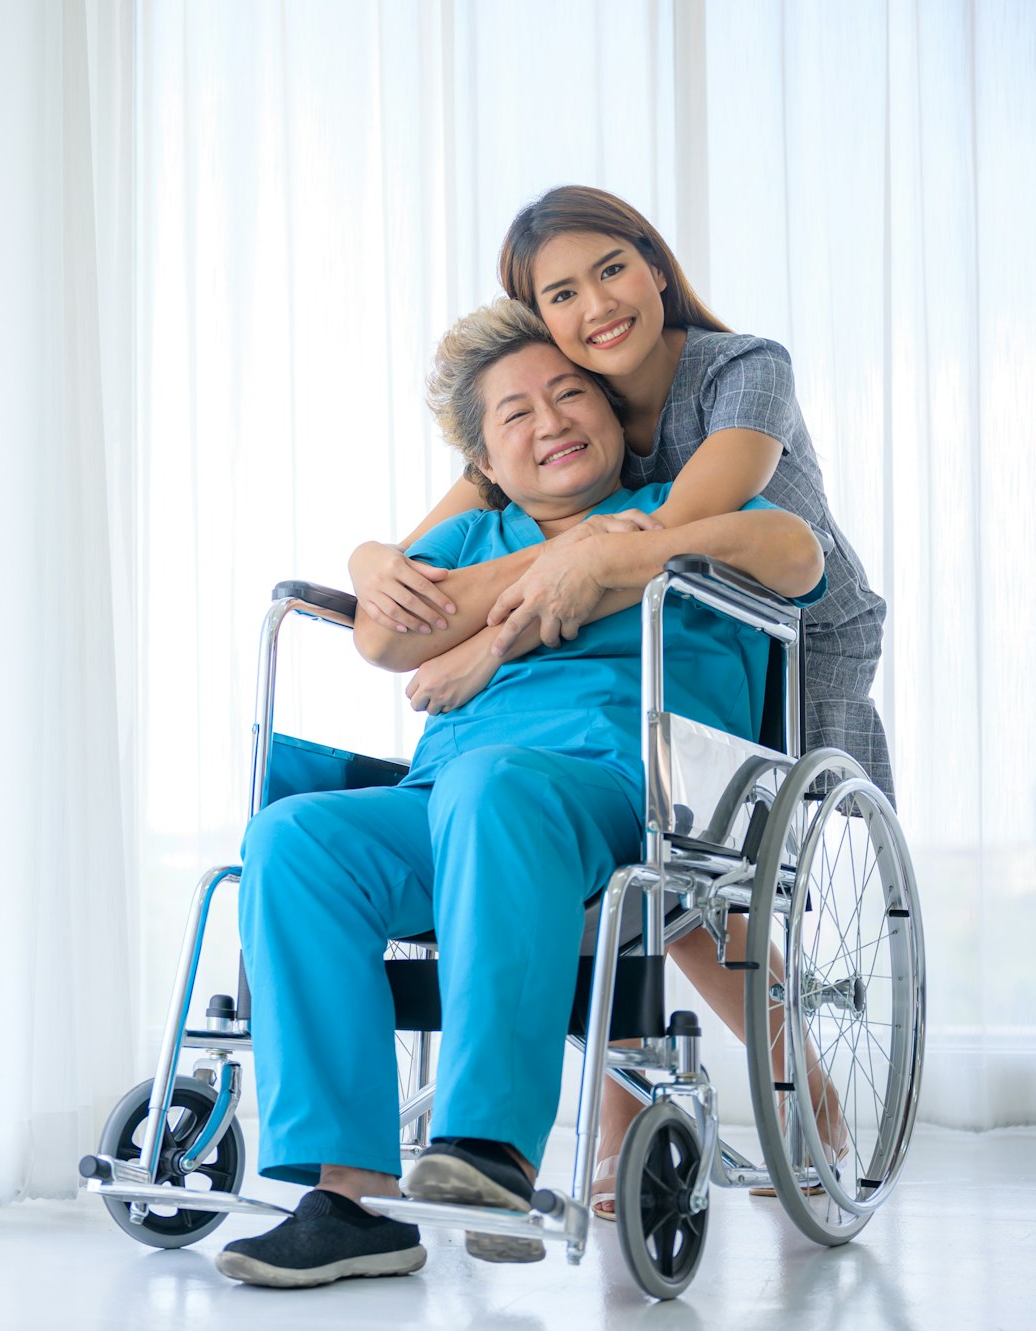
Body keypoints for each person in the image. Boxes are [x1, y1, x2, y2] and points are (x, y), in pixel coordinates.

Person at [213, 300, 825, 1289]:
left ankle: (490, 1150)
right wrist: (417, 557)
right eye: (513, 414)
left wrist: (626, 550)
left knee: (494, 790)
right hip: (445, 800)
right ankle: (350, 1197)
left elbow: (797, 555)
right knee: (292, 837)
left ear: (614, 419)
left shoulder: (676, 510)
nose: (548, 420)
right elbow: (382, 638)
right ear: (484, 466)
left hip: (619, 792)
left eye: (570, 393)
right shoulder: (466, 543)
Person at [347, 185, 881, 1214]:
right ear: (535, 315)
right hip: (628, 641)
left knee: (688, 862)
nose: (592, 304)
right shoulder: (561, 394)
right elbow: (431, 556)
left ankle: (775, 1095)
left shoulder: (737, 372)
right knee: (630, 861)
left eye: (608, 268)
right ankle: (624, 1120)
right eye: (558, 292)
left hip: (780, 623)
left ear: (653, 263)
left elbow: (645, 540)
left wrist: (480, 650)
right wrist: (369, 557)